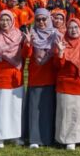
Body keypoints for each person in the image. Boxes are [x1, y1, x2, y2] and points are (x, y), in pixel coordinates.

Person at [0, 10, 30, 148]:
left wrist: (27, 44)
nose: (5, 23)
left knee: (14, 109)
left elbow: (26, 55)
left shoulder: (20, 36)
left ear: (13, 21)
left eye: (8, 20)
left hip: (14, 78)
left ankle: (15, 136)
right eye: (2, 20)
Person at [54, 18, 80, 149]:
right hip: (67, 85)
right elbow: (57, 66)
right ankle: (69, 139)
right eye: (71, 27)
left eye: (76, 27)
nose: (73, 30)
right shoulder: (62, 43)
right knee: (69, 113)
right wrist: (60, 52)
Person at [24, 8, 60, 148]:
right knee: (35, 110)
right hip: (36, 77)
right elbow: (25, 55)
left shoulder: (55, 34)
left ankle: (49, 137)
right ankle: (35, 139)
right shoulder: (31, 35)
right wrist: (27, 44)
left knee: (50, 109)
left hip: (51, 77)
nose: (41, 22)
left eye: (44, 19)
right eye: (38, 19)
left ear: (49, 19)